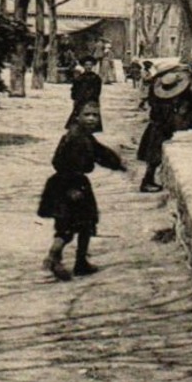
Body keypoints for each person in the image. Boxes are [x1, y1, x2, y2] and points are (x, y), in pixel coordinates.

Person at [38, 101, 125, 280]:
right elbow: (61, 162)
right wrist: (72, 187)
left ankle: (68, 258)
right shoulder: (78, 138)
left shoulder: (80, 135)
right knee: (83, 224)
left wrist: (115, 163)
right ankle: (66, 259)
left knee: (69, 225)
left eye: (95, 115)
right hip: (73, 184)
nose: (92, 119)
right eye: (87, 115)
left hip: (62, 184)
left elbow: (100, 153)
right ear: (77, 116)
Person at [67, 54, 103, 131]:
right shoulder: (79, 78)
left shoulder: (96, 78)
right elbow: (74, 91)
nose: (88, 67)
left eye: (90, 65)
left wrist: (90, 99)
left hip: (91, 102)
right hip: (80, 102)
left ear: (93, 66)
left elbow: (97, 92)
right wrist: (76, 98)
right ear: (83, 66)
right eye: (86, 65)